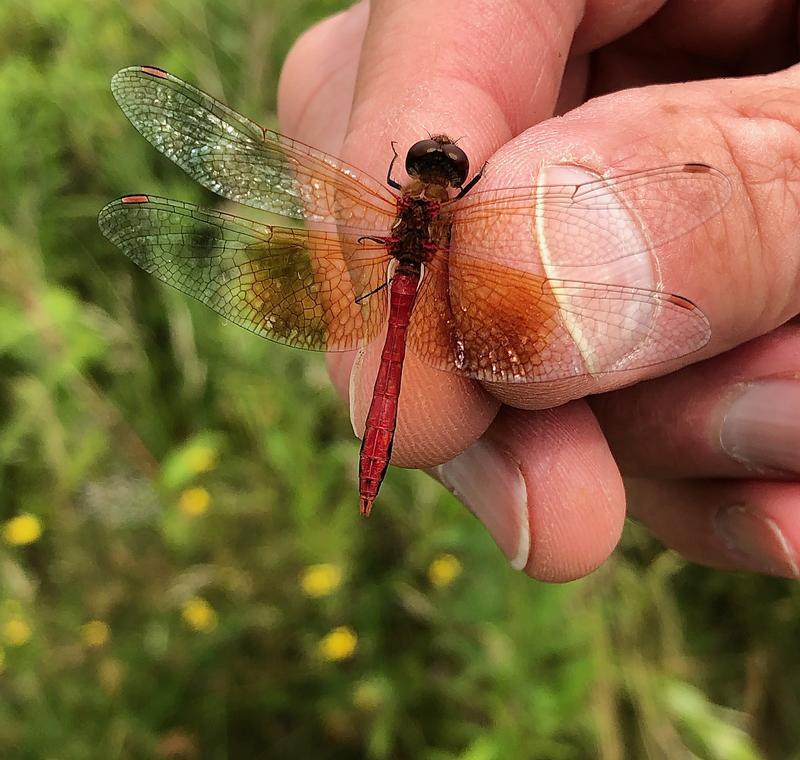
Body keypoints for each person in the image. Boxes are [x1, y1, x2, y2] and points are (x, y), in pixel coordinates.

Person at [277, 0, 800, 581]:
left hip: (395, 279)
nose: (440, 162)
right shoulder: (462, 212)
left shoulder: (400, 203)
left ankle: (373, 467)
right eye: (438, 161)